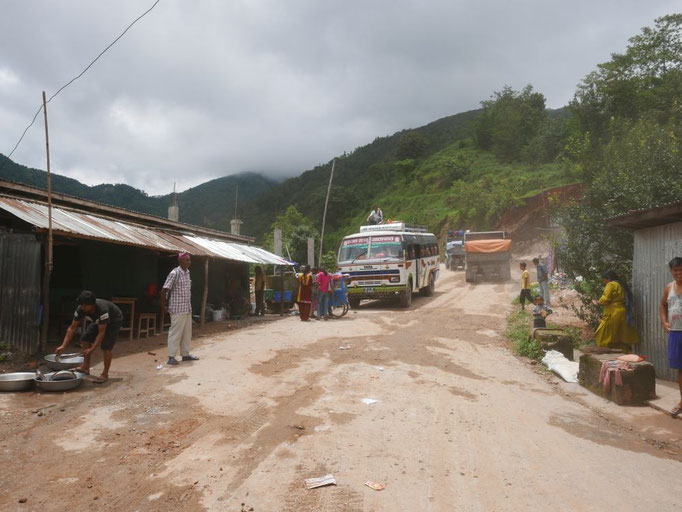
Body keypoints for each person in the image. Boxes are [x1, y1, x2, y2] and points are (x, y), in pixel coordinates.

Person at [56, 290, 122, 382]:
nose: (83, 307)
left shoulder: (102, 310)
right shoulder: (80, 309)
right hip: (98, 321)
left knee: (106, 346)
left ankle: (105, 374)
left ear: (93, 304)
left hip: (114, 320)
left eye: (85, 305)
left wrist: (92, 349)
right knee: (85, 338)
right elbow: (72, 328)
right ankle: (85, 368)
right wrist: (63, 346)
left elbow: (101, 332)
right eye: (81, 304)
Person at [161, 252, 199, 365]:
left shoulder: (187, 273)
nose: (189, 262)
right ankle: (171, 357)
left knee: (187, 333)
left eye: (190, 260)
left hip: (187, 308)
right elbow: (164, 290)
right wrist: (163, 306)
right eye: (187, 260)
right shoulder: (175, 273)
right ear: (180, 261)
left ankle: (185, 354)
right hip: (177, 308)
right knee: (175, 333)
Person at [658, 257, 682, 418]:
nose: (679, 273)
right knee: (681, 370)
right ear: (671, 271)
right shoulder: (669, 288)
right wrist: (664, 321)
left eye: (681, 270)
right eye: (675, 270)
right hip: (675, 333)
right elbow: (662, 305)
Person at [595, 270, 639, 351]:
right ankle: (624, 355)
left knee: (603, 336)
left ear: (608, 278)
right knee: (621, 337)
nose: (604, 282)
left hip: (613, 313)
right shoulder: (621, 284)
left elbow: (606, 299)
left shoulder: (611, 284)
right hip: (623, 313)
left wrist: (598, 302)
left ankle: (607, 355)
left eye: (604, 280)